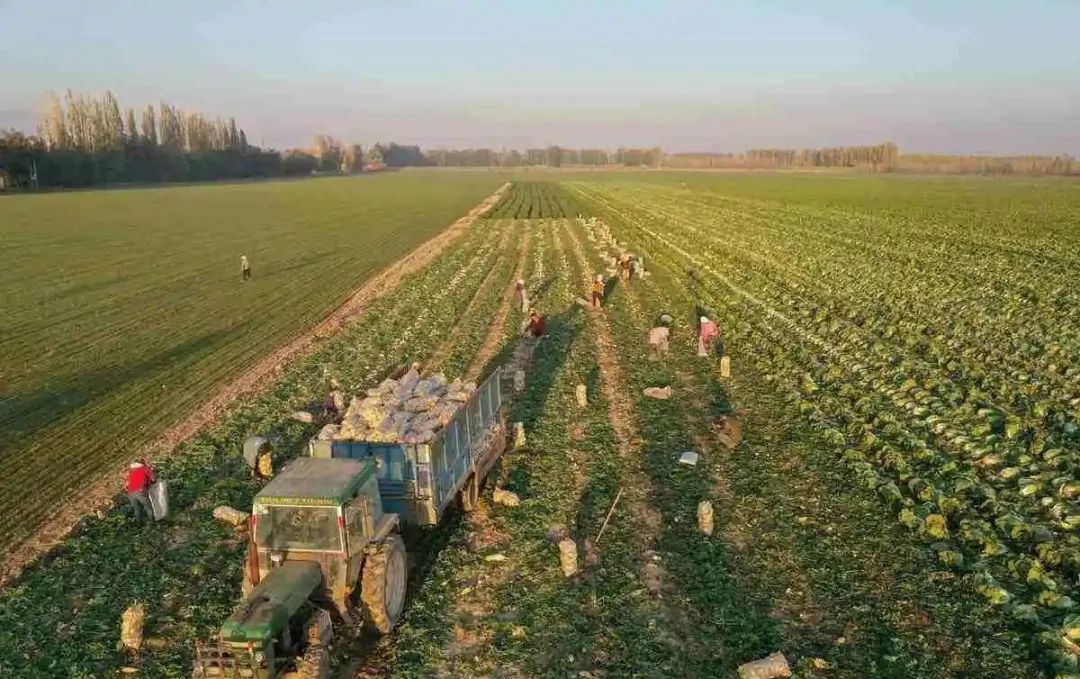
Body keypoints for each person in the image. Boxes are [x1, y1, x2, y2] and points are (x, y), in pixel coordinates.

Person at [125, 459, 156, 524]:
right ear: (143, 464)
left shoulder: (130, 471)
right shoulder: (144, 468)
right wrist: (153, 471)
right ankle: (153, 523)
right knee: (149, 508)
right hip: (140, 491)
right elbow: (153, 479)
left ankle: (139, 525)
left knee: (137, 510)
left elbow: (126, 485)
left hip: (130, 493)